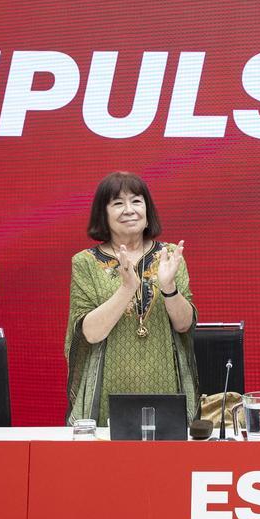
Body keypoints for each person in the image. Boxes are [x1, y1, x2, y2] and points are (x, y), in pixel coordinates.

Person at [66, 172, 198, 426]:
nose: (129, 210)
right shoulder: (85, 262)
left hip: (165, 383)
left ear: (147, 209)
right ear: (102, 213)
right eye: (118, 203)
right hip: (106, 388)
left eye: (137, 201)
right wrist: (126, 289)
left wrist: (169, 287)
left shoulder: (169, 255)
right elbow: (89, 334)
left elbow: (184, 325)